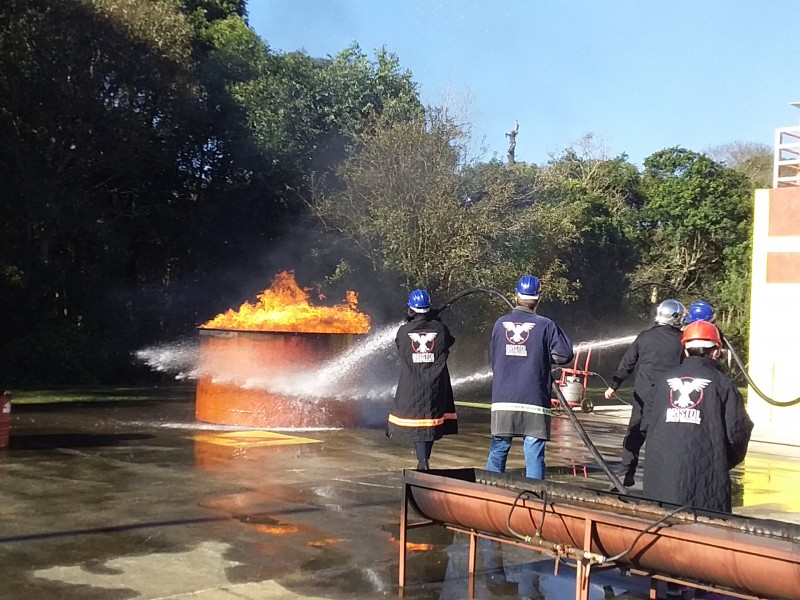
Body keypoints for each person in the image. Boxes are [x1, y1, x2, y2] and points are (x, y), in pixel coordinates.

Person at [642, 320, 753, 513]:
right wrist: (720, 462)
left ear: (685, 350)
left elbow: (645, 424)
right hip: (706, 487)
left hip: (660, 481)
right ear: (716, 351)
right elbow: (738, 432)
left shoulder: (662, 382)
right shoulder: (723, 385)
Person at [485, 275, 574, 479]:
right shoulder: (546, 325)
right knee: (533, 451)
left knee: (499, 448)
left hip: (503, 398)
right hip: (534, 399)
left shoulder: (500, 324)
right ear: (538, 299)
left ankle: (490, 494)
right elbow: (565, 354)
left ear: (516, 296)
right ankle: (534, 500)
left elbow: (494, 355)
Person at [604, 299, 685, 487]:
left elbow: (628, 363)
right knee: (663, 435)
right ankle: (662, 476)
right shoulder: (682, 341)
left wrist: (613, 385)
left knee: (635, 432)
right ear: (675, 318)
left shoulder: (644, 337)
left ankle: (626, 472)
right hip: (670, 396)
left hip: (643, 394)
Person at [387, 289, 457, 470]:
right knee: (430, 421)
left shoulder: (403, 331)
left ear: (410, 309)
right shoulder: (440, 329)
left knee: (419, 421)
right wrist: (436, 321)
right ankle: (424, 458)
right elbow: (449, 342)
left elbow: (400, 347)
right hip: (435, 384)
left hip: (412, 384)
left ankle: (422, 460)